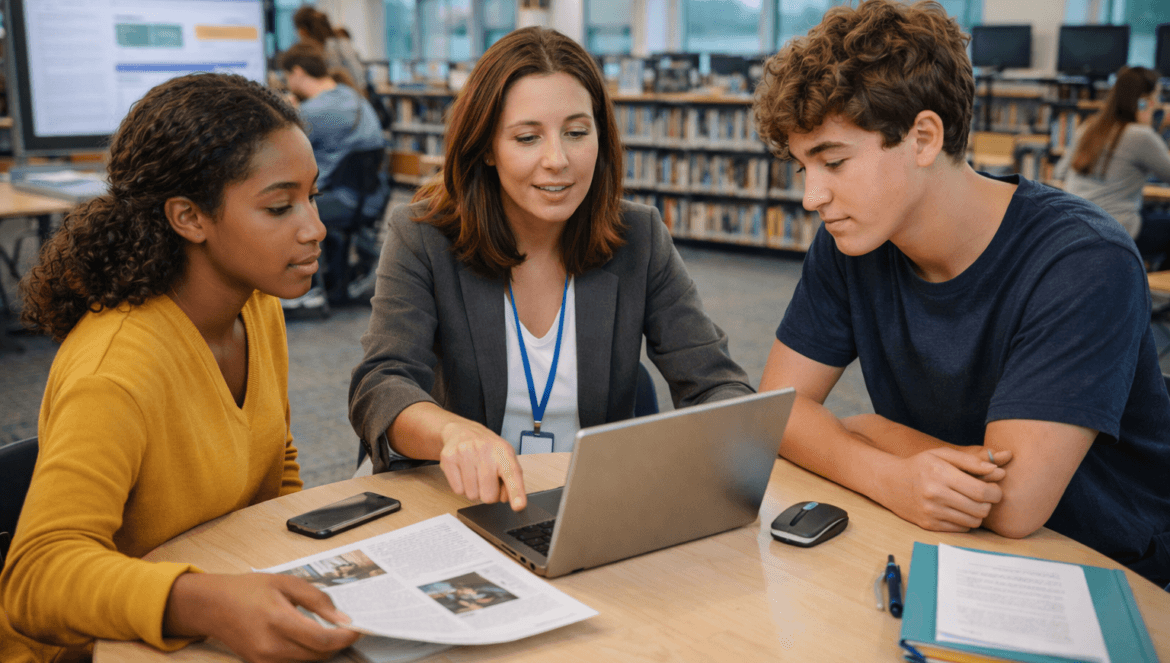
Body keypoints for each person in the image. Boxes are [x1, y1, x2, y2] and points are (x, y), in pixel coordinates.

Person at [753, 0, 1170, 587]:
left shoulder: (1082, 261)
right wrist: (887, 475)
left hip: (1106, 566)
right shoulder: (853, 242)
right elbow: (773, 415)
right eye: (803, 169)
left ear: (924, 137)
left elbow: (1013, 506)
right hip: (939, 539)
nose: (812, 196)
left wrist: (871, 431)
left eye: (834, 162)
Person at [0, 73, 362, 662]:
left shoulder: (259, 305)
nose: (314, 228)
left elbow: (274, 455)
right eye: (279, 206)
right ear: (189, 218)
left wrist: (294, 561)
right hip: (94, 650)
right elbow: (35, 577)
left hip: (211, 617)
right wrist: (203, 602)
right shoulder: (115, 369)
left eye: (312, 196)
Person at [349, 26, 753, 510]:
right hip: (455, 502)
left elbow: (714, 382)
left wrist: (736, 429)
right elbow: (381, 383)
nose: (557, 160)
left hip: (586, 507)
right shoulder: (423, 236)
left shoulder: (639, 237)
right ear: (485, 148)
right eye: (527, 137)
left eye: (577, 133)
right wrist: (451, 432)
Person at [280, 42, 387, 304]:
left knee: (274, 210)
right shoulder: (352, 96)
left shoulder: (313, 111)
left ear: (297, 72)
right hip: (370, 197)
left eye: (286, 76)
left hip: (342, 201)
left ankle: (299, 287)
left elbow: (280, 150)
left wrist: (287, 111)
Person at [1054, 66, 1170, 257]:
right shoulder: (1141, 135)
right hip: (1117, 230)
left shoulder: (1090, 127)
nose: (1158, 103)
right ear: (1144, 101)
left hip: (1075, 228)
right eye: (1157, 97)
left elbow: (1060, 171)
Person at [293, 5, 366, 92]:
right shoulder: (336, 45)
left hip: (346, 99)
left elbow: (359, 81)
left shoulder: (333, 47)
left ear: (302, 31)